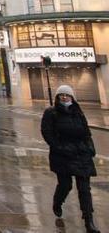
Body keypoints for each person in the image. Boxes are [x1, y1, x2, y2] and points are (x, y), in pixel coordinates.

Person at [41, 85, 100, 232]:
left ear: (72, 97)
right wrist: (60, 148)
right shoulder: (51, 113)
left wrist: (90, 149)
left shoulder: (77, 112)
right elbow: (47, 133)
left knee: (84, 189)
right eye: (61, 95)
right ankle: (57, 202)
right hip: (63, 156)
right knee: (65, 185)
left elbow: (87, 132)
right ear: (57, 97)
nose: (64, 97)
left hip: (81, 154)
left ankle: (88, 221)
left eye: (67, 95)